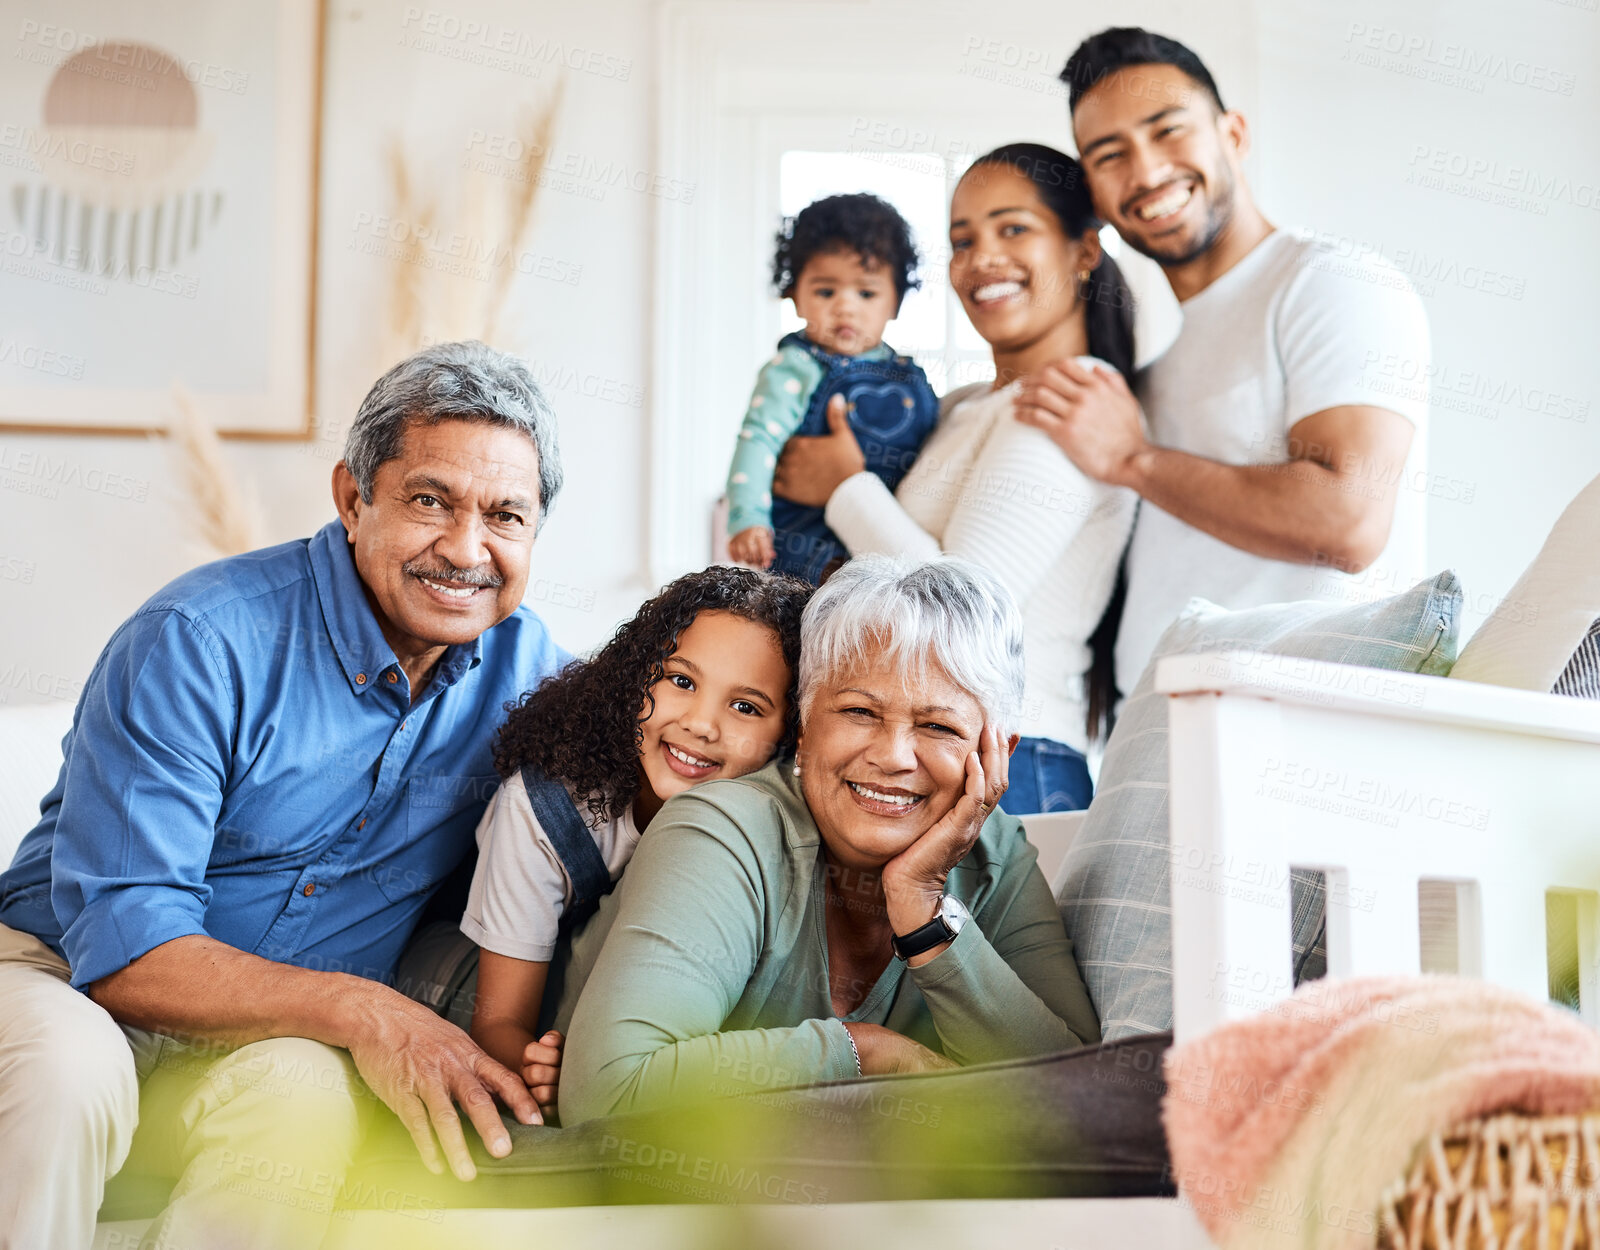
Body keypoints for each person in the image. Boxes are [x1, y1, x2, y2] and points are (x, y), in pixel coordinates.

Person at [0, 342, 568, 1250]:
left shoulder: (535, 680)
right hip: (57, 974)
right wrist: (367, 1010)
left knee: (304, 1102)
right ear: (353, 497)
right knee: (69, 1070)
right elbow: (126, 945)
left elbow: (658, 788)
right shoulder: (198, 638)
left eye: (506, 515)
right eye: (431, 501)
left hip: (268, 1036)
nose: (467, 550)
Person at [560, 555, 1101, 1126]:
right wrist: (865, 1053)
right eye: (859, 712)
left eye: (938, 726)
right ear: (804, 726)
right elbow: (608, 1095)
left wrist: (923, 910)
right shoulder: (721, 830)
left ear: (998, 753)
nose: (892, 756)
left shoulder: (995, 852)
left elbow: (1083, 1101)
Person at [1018, 27, 1432, 694]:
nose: (1147, 171)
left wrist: (1134, 461)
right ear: (1093, 192)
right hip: (1170, 736)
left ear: (1233, 134)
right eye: (1110, 154)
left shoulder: (1330, 283)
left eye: (1168, 130)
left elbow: (1348, 521)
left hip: (1301, 735)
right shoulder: (1153, 373)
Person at [770, 145, 1138, 813]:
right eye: (962, 241)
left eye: (1013, 229)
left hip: (1009, 765)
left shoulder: (1072, 399)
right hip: (937, 753)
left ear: (1084, 251)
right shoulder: (966, 405)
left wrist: (843, 488)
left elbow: (962, 616)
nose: (982, 258)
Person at [460, 566, 811, 1115]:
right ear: (635, 676)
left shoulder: (784, 817)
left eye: (745, 707)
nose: (701, 724)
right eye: (681, 680)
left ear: (789, 734)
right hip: (498, 984)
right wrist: (541, 1066)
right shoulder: (542, 810)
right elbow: (499, 1021)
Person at [724, 193, 940, 583]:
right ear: (796, 297)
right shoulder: (795, 367)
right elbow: (757, 440)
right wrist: (747, 518)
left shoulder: (910, 377)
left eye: (866, 293)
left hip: (884, 537)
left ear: (896, 302)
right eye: (826, 292)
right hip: (809, 541)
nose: (845, 307)